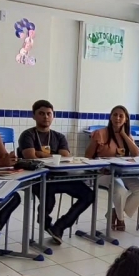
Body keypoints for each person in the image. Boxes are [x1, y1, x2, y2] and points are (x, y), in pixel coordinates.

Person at [19, 100, 93, 243]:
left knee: (89, 195)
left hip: (59, 177)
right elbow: (30, 156)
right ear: (34, 116)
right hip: (37, 178)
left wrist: (41, 154)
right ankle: (45, 223)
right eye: (41, 113)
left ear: (53, 116)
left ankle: (60, 226)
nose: (45, 117)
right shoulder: (27, 135)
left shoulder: (59, 136)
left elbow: (66, 157)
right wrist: (53, 155)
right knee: (49, 198)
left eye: (48, 114)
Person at [85, 105, 139, 231]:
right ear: (110, 117)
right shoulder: (100, 133)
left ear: (126, 119)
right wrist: (98, 165)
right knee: (121, 191)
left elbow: (136, 153)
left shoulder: (127, 135)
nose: (117, 118)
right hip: (103, 173)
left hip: (123, 172)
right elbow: (88, 156)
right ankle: (120, 219)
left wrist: (124, 135)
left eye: (121, 116)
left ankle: (115, 212)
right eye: (115, 115)